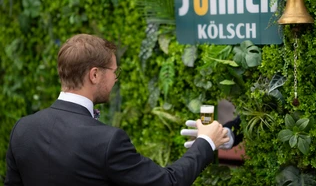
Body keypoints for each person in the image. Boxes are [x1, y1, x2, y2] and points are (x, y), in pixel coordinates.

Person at [5, 34, 230, 186]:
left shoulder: (22, 129)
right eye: (114, 71)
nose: (115, 79)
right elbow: (168, 182)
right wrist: (206, 142)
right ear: (94, 75)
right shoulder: (107, 140)